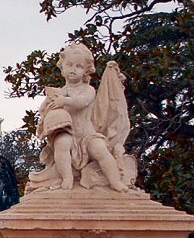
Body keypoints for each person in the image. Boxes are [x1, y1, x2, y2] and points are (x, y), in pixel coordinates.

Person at [29, 43, 128, 192]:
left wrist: (65, 100)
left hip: (87, 135)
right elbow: (44, 110)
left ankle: (114, 180)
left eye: (79, 66)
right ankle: (67, 177)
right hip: (68, 132)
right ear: (62, 68)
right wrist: (48, 105)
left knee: (101, 150)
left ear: (86, 71)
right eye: (69, 65)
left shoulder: (88, 89)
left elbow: (82, 102)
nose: (73, 69)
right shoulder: (59, 92)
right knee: (61, 144)